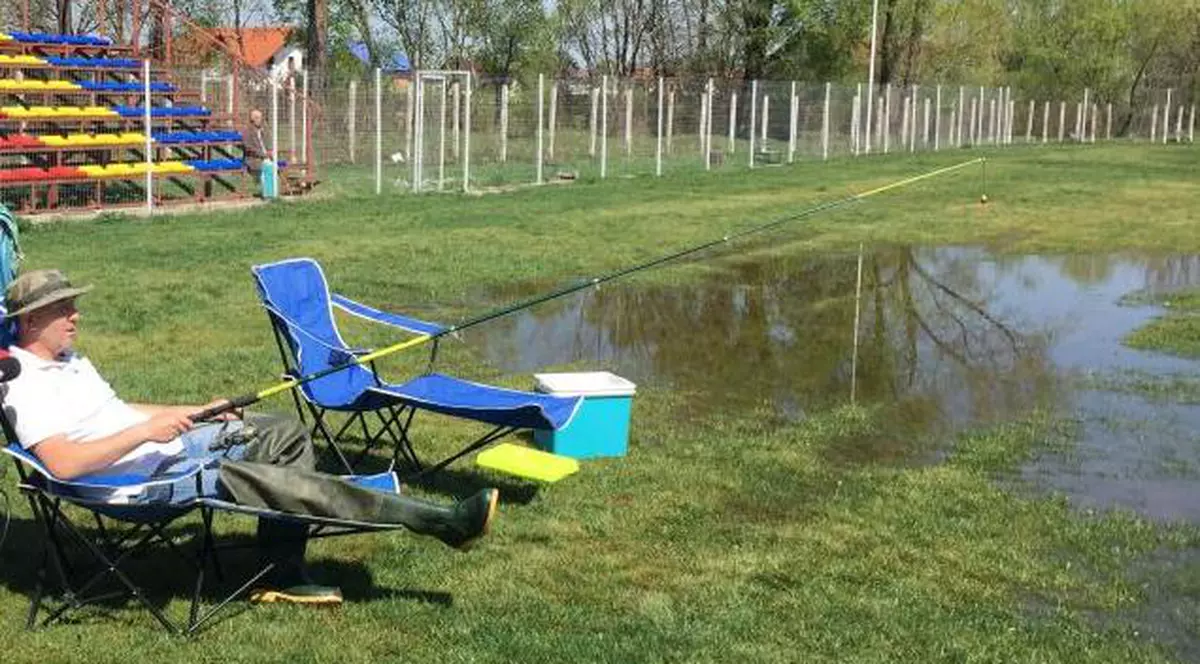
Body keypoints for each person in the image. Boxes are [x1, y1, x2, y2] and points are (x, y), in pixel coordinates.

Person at [0, 269, 499, 606]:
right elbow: (63, 465)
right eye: (63, 308)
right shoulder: (21, 381)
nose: (75, 315)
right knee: (274, 480)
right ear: (30, 320)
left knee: (284, 433)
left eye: (72, 305)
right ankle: (435, 520)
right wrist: (143, 435)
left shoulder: (69, 360)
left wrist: (197, 412)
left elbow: (116, 411)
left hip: (162, 451)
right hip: (141, 484)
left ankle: (281, 569)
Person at [243, 108, 269, 189]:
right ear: (252, 119)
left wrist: (269, 152)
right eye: (257, 118)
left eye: (260, 118)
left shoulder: (263, 130)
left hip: (266, 156)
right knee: (267, 167)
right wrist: (262, 154)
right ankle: (265, 189)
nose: (260, 120)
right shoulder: (247, 131)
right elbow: (248, 147)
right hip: (255, 158)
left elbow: (269, 143)